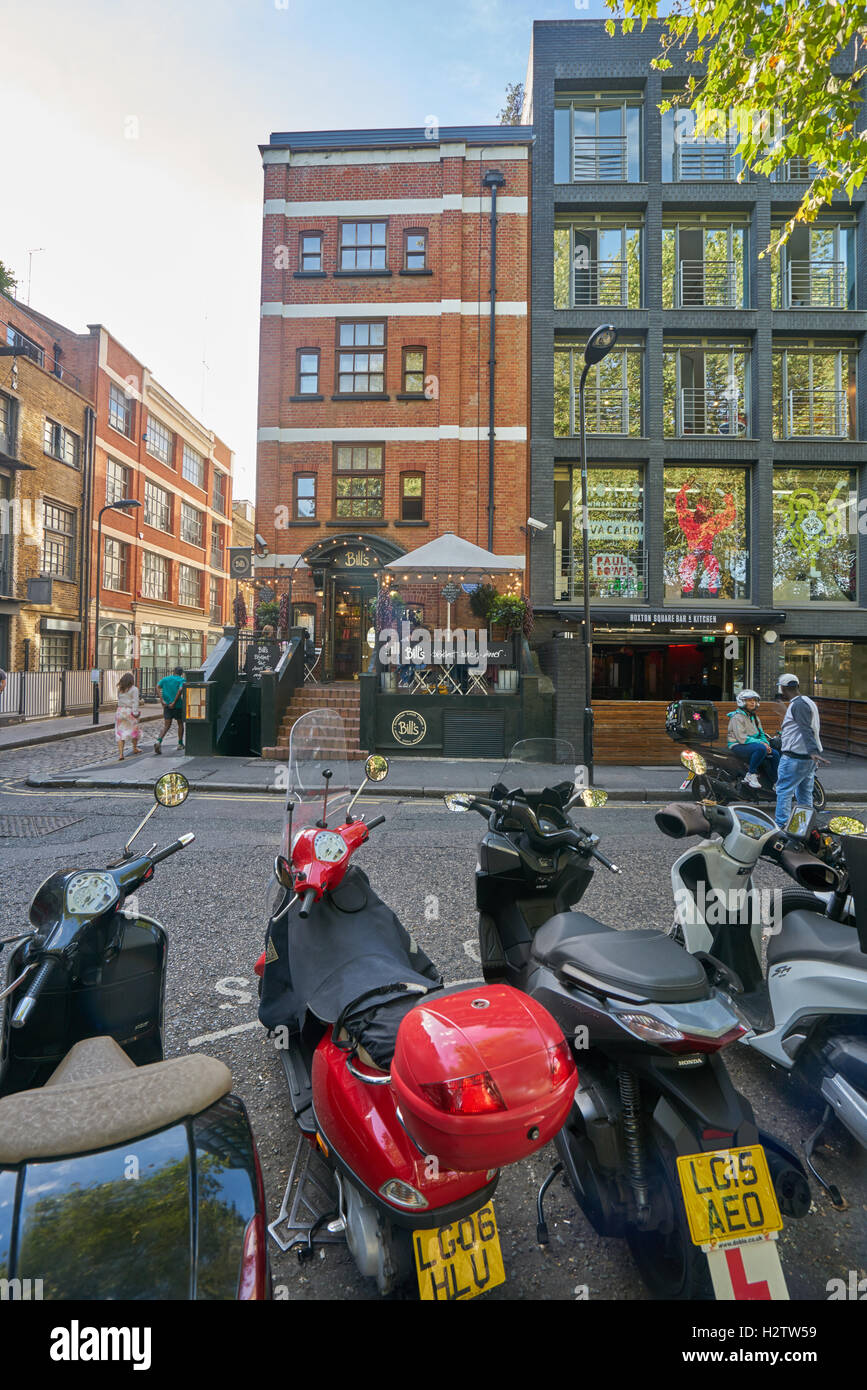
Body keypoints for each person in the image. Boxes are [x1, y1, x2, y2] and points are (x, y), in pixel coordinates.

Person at [774, 673, 828, 829]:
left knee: (784, 791)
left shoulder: (799, 705)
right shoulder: (806, 702)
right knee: (804, 794)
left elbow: (806, 729)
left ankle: (782, 826)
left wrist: (812, 751)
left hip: (796, 757)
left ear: (783, 688)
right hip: (806, 758)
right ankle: (803, 827)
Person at [726, 689, 780, 790]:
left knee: (775, 754)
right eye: (749, 700)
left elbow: (761, 734)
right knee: (760, 749)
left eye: (754, 700)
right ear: (742, 702)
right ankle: (751, 774)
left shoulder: (755, 717)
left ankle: (776, 782)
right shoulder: (737, 717)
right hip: (737, 745)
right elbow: (741, 738)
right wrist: (761, 744)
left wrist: (765, 743)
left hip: (753, 745)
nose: (752, 702)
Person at [154, 667, 186, 754]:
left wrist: (161, 700)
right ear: (181, 673)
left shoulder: (165, 679)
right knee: (180, 723)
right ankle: (180, 743)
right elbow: (180, 690)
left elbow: (157, 686)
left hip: (166, 705)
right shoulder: (182, 680)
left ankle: (158, 741)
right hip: (178, 706)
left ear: (173, 672)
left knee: (166, 725)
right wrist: (174, 702)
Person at [114, 671, 142, 761]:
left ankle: (121, 754)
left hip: (120, 711)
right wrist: (136, 713)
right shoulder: (134, 689)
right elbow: (135, 702)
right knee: (135, 730)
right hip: (129, 711)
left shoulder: (120, 689)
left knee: (120, 733)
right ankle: (134, 748)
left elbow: (118, 699)